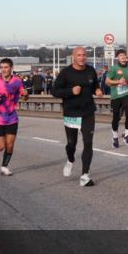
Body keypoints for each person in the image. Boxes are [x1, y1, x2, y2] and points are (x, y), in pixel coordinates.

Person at [51, 47, 102, 187]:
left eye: (84, 55)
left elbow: (95, 86)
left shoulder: (91, 70)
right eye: (79, 55)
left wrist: (97, 90)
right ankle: (70, 160)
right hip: (71, 113)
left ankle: (85, 175)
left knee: (88, 142)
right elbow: (54, 91)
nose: (82, 57)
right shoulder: (66, 73)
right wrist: (71, 91)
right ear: (73, 57)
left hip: (88, 112)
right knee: (71, 144)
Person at [0, 58, 27, 177]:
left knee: (10, 144)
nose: (3, 70)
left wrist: (25, 95)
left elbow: (24, 97)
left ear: (11, 68)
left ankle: (4, 167)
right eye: (2, 67)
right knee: (1, 146)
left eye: (6, 67)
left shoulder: (17, 81)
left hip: (12, 117)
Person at [107, 49, 128, 147]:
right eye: (120, 55)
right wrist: (118, 82)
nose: (123, 57)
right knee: (116, 117)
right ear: (117, 58)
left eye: (124, 55)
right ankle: (115, 137)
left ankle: (126, 135)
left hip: (126, 94)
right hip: (116, 96)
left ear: (126, 57)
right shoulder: (114, 68)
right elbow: (107, 81)